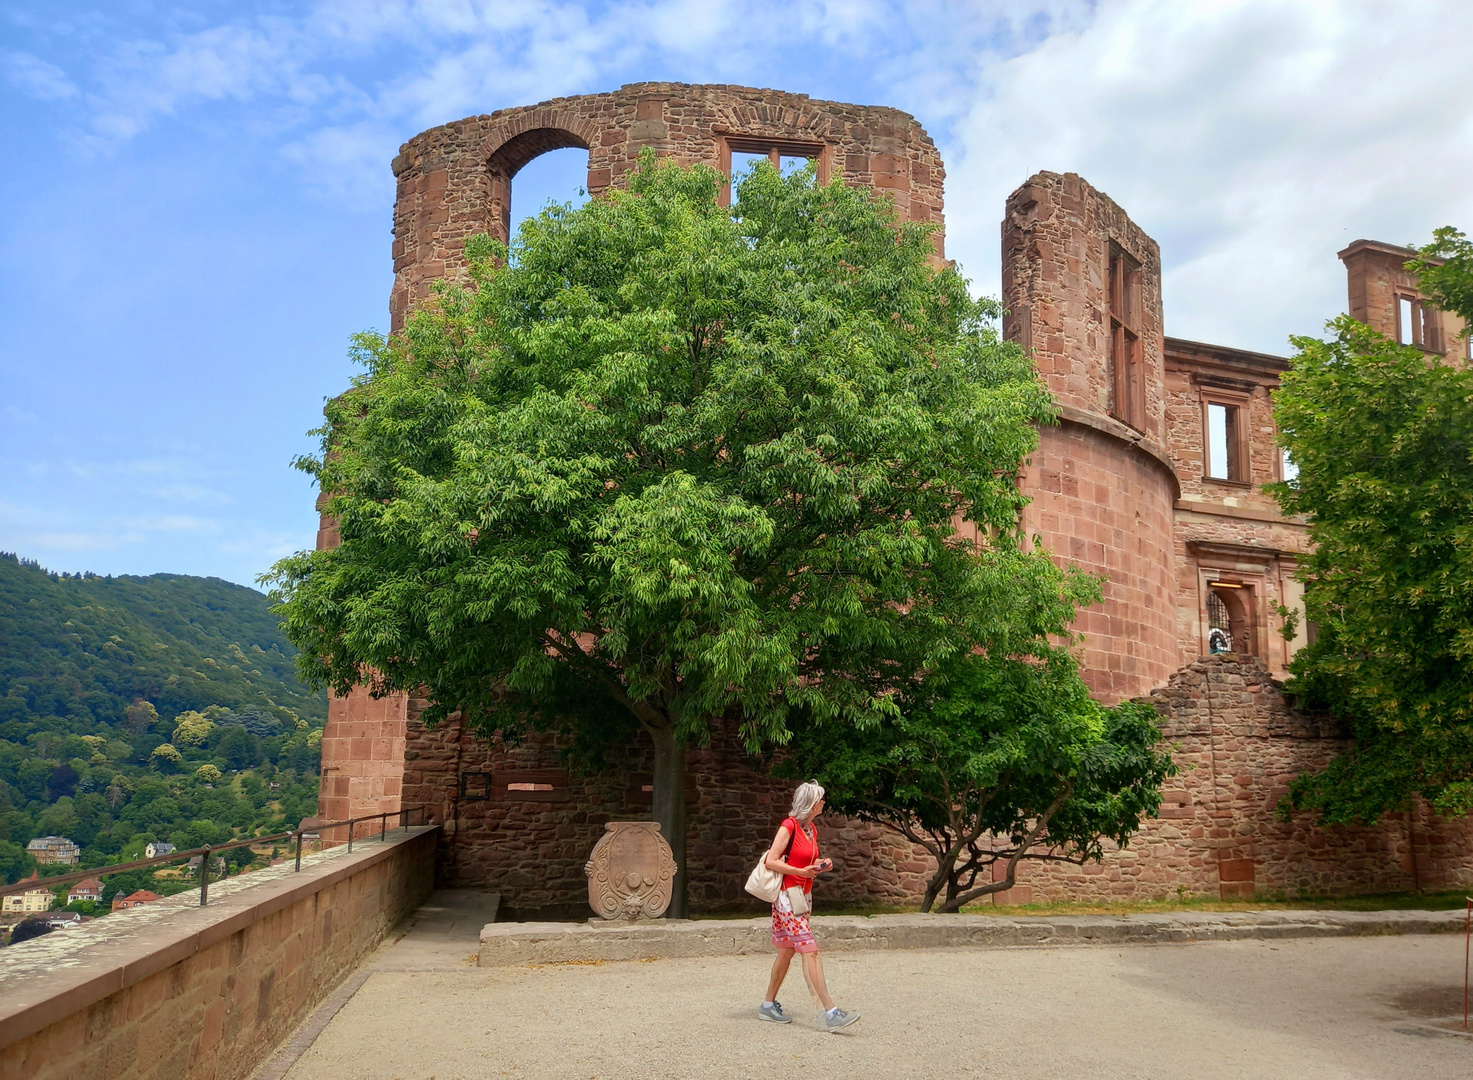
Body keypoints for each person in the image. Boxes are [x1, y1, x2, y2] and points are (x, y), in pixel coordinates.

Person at [757, 780, 860, 1031]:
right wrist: (799, 871)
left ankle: (767, 1005)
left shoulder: (811, 829)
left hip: (802, 898)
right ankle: (830, 1012)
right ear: (812, 803)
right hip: (787, 899)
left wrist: (822, 862)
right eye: (821, 798)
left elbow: (806, 860)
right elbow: (771, 860)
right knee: (810, 950)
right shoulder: (788, 826)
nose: (824, 802)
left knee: (787, 951)